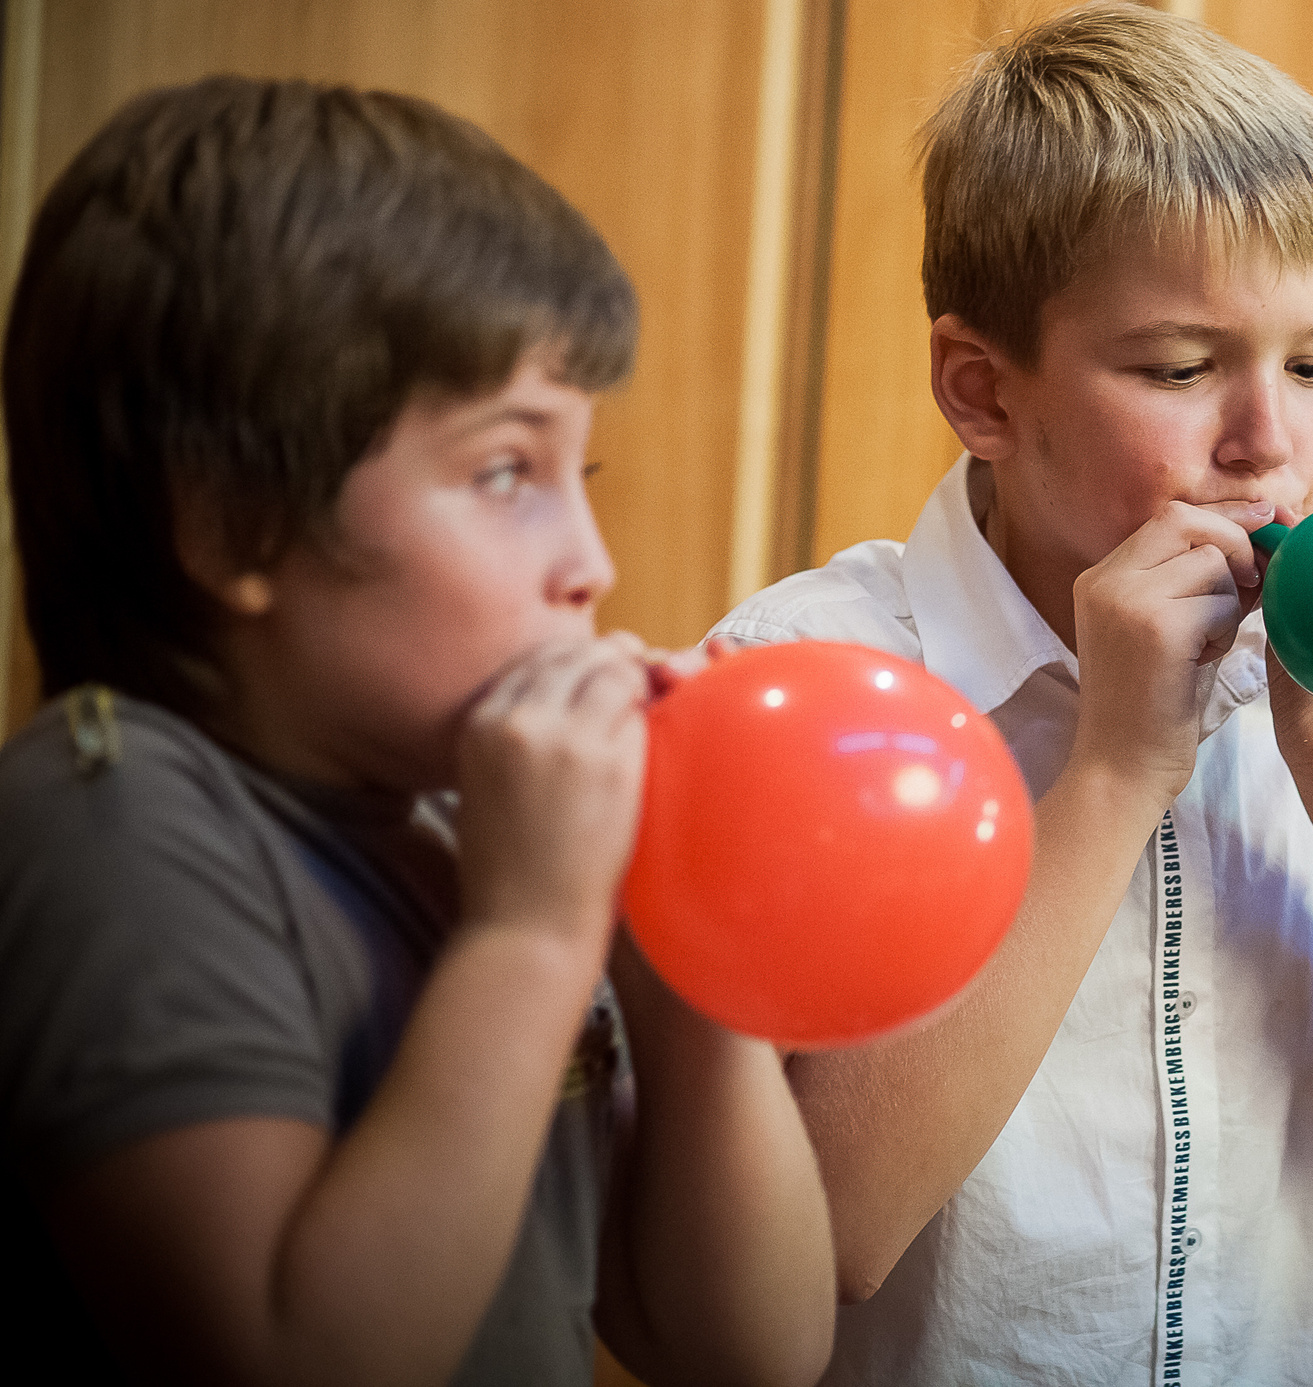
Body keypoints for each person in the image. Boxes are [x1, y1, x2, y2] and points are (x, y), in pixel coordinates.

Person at [713, 0, 1313, 1385]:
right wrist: (1110, 770)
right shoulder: (805, 685)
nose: (1269, 441)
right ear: (982, 391)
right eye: (1180, 367)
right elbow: (824, 1240)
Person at [0, 78, 837, 1386]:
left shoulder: (462, 828)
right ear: (233, 524)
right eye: (507, 470)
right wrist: (530, 935)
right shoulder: (110, 813)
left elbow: (750, 1347)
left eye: (582, 474)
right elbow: (292, 1357)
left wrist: (693, 953)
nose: (592, 563)